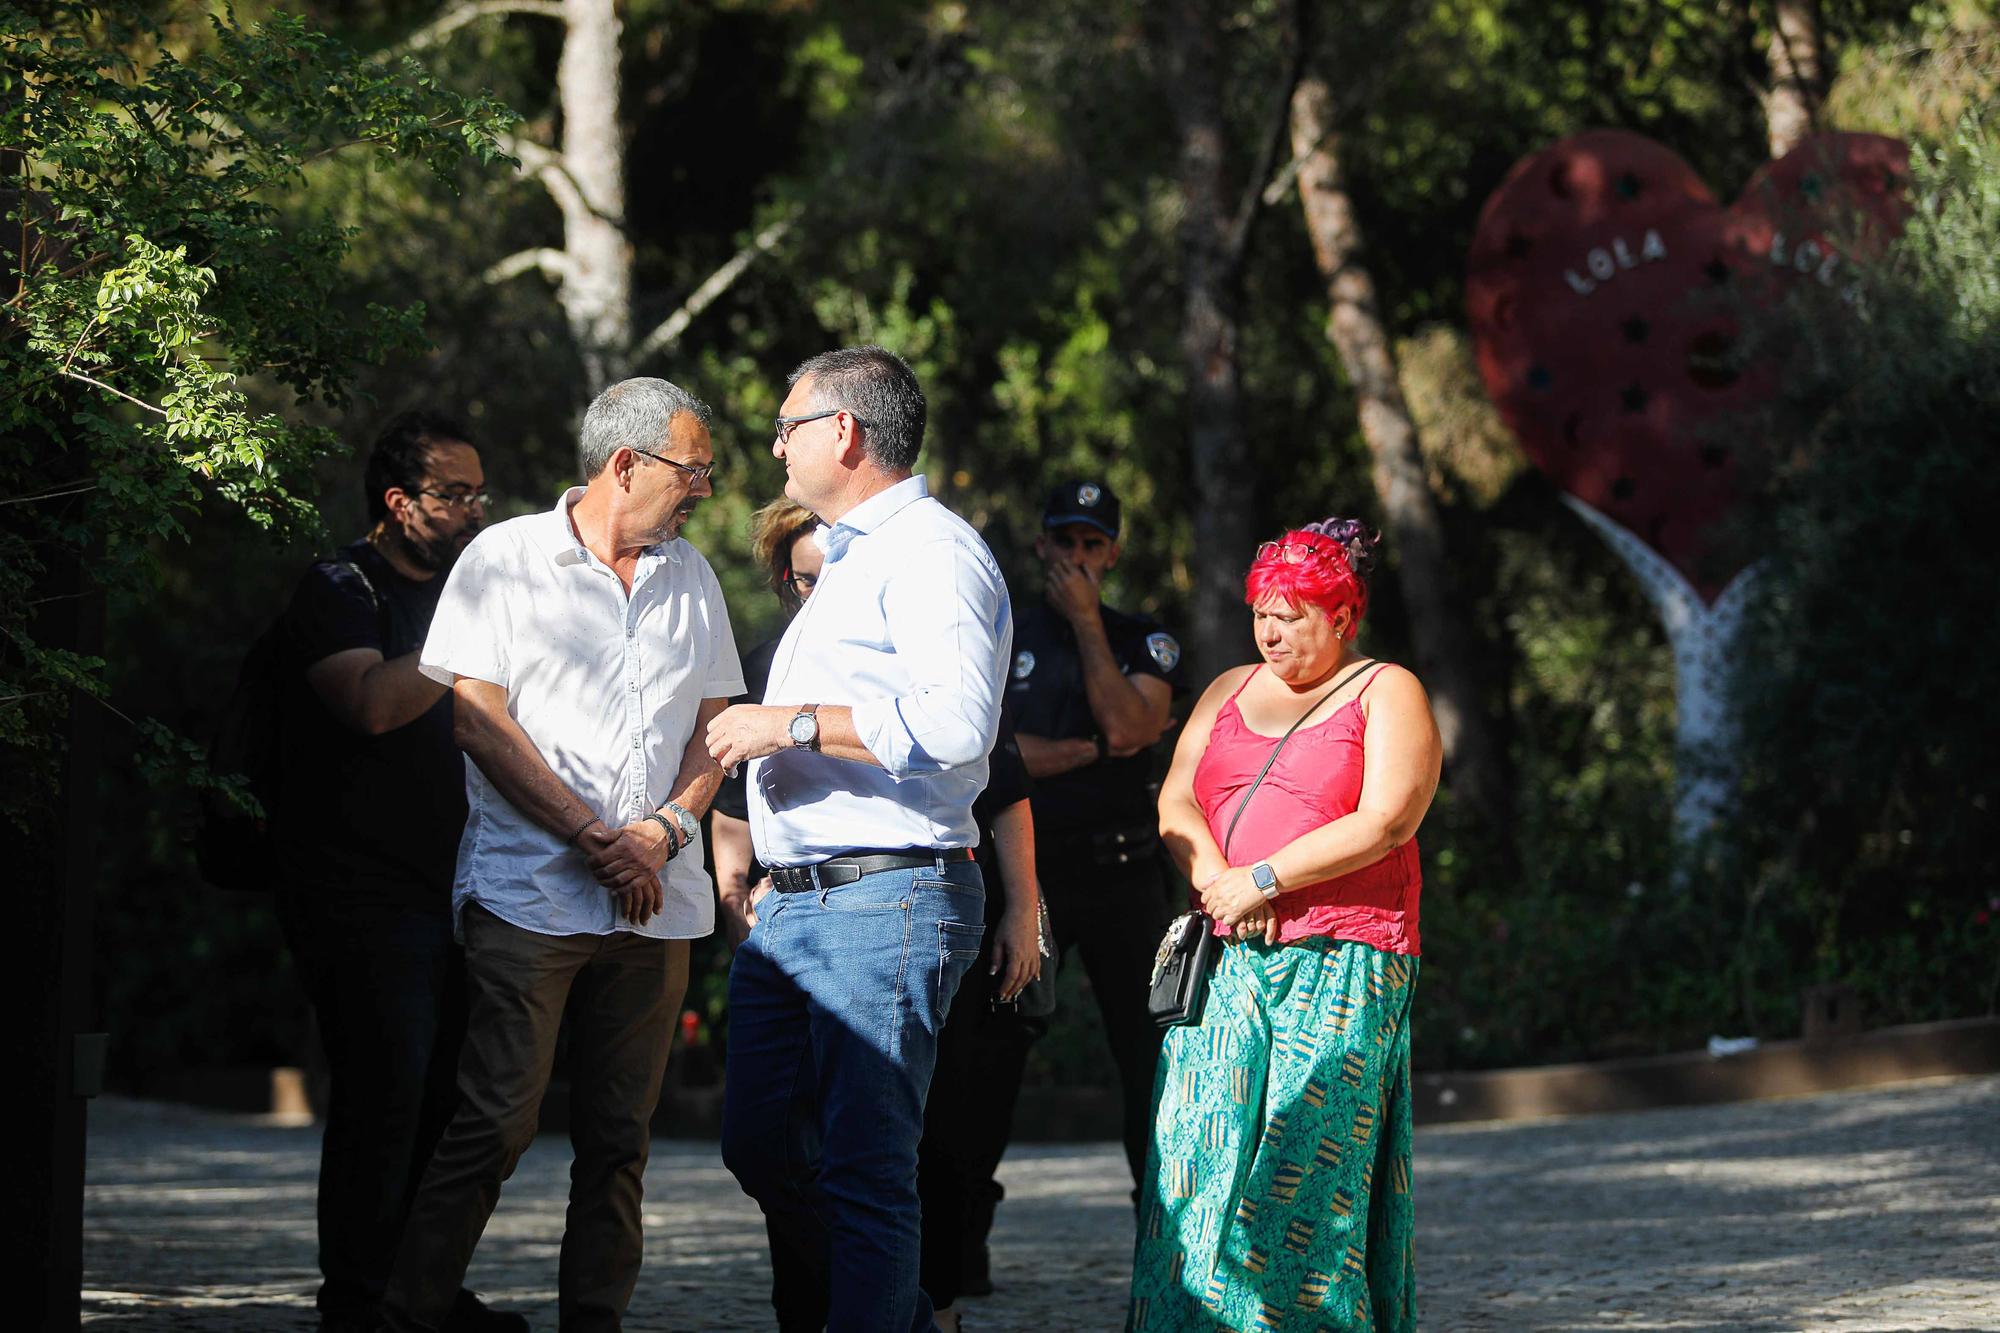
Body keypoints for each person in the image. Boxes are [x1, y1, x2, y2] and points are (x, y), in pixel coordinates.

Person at [379, 378, 744, 1333]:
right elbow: (476, 718)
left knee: (621, 1138)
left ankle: (594, 1319)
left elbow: (718, 725)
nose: (703, 487)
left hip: (654, 901)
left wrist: (661, 833)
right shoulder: (503, 560)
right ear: (625, 465)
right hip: (529, 896)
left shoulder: (691, 577)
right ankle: (410, 1313)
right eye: (692, 468)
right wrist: (593, 837)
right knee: (495, 1120)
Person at [705, 345, 1012, 1332]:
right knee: (759, 1144)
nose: (773, 447)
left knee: (868, 1171)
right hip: (794, 906)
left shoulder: (932, 552)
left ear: (841, 432)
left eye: (785, 426)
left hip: (886, 894)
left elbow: (958, 728)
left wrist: (787, 723)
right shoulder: (847, 559)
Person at [1126, 519, 1441, 1332]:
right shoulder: (1228, 686)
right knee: (1192, 1157)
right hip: (1226, 955)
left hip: (1344, 954)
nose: (1271, 630)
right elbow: (1177, 798)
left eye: (1293, 614)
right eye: (1263, 612)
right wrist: (1217, 884)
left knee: (1303, 1171)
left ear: (1342, 616)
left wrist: (1266, 877)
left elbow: (1389, 819)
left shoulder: (1386, 688)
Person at [271, 410, 521, 1333]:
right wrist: (471, 638)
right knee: (386, 1088)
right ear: (398, 502)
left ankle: (421, 1291)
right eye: (454, 494)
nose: (473, 511)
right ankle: (359, 1298)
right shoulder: (341, 585)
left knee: (456, 1099)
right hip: (360, 891)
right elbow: (373, 704)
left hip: (461, 883)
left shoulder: (464, 592)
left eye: (477, 493)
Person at [1006, 479, 1187, 1187]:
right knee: (989, 1056)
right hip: (1029, 872)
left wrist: (1087, 624)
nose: (1076, 557)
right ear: (1041, 544)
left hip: (1124, 875)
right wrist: (1090, 751)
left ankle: (1164, 1232)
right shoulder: (1004, 631)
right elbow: (988, 749)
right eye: (1064, 541)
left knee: (1150, 1053)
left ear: (1111, 553)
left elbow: (1128, 725)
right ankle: (960, 1254)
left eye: (1092, 543)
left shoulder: (1143, 637)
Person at [708, 497, 823, 948]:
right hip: (778, 907)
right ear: (786, 580)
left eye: (833, 576)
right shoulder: (764, 669)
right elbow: (733, 800)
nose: (819, 593)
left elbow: (1005, 789)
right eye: (805, 581)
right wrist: (733, 895)